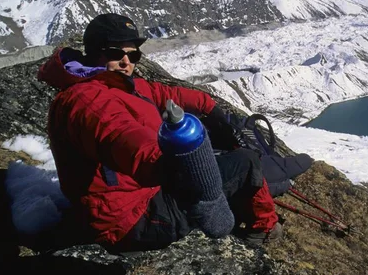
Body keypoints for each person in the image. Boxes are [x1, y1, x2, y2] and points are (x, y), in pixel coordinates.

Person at [38, 13, 282, 252]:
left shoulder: (115, 85)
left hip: (133, 199)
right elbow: (123, 138)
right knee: (247, 162)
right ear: (92, 52)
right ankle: (264, 229)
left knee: (217, 158)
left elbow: (164, 94)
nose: (126, 62)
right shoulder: (88, 100)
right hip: (134, 219)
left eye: (133, 55)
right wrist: (183, 165)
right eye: (115, 53)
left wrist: (210, 108)